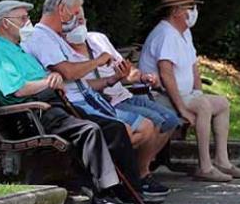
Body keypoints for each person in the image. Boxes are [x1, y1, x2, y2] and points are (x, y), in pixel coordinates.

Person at [0, 0, 150, 204]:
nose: (28, 23)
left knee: (114, 127)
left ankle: (131, 193)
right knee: (89, 130)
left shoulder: (18, 50)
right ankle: (104, 195)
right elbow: (17, 90)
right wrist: (48, 82)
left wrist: (52, 77)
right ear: (6, 23)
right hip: (33, 114)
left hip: (54, 107)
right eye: (23, 19)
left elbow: (45, 76)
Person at [21, 0, 169, 203]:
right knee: (120, 131)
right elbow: (69, 72)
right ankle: (117, 189)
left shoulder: (55, 37)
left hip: (88, 98)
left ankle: (127, 188)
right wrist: (98, 61)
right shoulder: (41, 37)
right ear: (62, 10)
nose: (77, 20)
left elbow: (77, 77)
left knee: (135, 128)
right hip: (67, 105)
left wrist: (110, 79)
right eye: (74, 14)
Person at [139, 0, 240, 182]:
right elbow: (166, 75)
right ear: (175, 11)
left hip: (184, 94)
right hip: (160, 96)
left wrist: (198, 91)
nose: (193, 12)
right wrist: (182, 108)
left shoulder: (184, 32)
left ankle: (222, 161)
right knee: (203, 106)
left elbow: (193, 66)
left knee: (222, 103)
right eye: (188, 7)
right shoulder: (165, 34)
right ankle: (205, 167)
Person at [64, 13, 181, 189]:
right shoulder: (62, 51)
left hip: (123, 93)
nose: (81, 23)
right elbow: (77, 87)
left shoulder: (98, 39)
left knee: (170, 119)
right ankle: (139, 174)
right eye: (76, 20)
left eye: (83, 18)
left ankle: (140, 167)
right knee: (152, 123)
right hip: (105, 100)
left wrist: (142, 77)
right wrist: (111, 77)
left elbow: (126, 71)